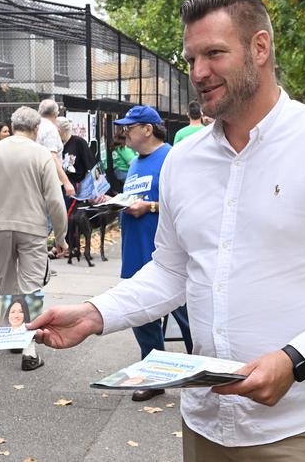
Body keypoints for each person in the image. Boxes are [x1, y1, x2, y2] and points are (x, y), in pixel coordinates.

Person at [28, 0, 305, 462]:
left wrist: (295, 361)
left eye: (213, 53)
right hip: (206, 425)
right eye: (191, 58)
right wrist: (93, 314)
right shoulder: (184, 160)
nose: (198, 72)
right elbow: (171, 271)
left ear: (260, 48)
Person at [0, 106, 67, 371]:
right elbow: (55, 200)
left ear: (13, 124)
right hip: (32, 227)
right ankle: (29, 350)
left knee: (6, 282)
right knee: (31, 286)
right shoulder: (41, 154)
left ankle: (14, 333)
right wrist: (61, 236)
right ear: (36, 129)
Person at [115, 105, 193, 402]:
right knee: (141, 317)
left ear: (147, 129)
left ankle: (203, 373)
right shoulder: (135, 162)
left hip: (166, 255)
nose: (125, 133)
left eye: (130, 128)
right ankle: (154, 374)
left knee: (187, 317)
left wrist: (150, 207)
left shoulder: (174, 158)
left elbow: (188, 204)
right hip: (135, 250)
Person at [37, 99, 75, 197]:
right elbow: (52, 157)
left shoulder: (34, 126)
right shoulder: (50, 129)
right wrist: (66, 182)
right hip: (49, 180)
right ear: (56, 114)